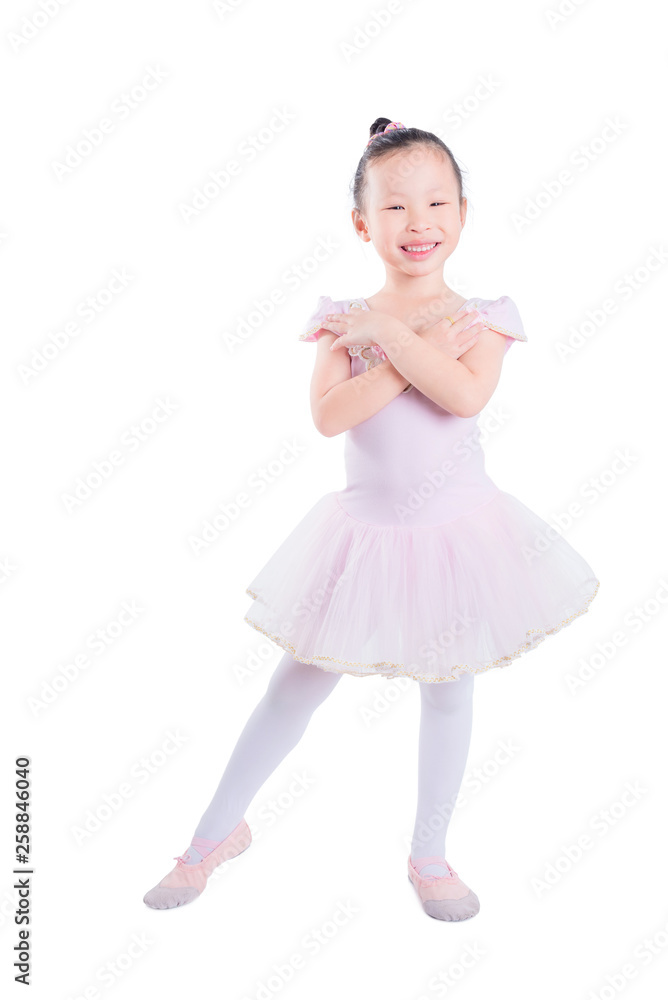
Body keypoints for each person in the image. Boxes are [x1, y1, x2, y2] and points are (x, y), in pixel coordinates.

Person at [143, 118, 600, 921]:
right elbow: (330, 416)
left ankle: (430, 854)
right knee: (296, 683)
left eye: (435, 202)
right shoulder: (337, 317)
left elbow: (462, 395)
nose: (417, 222)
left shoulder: (485, 317)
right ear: (363, 224)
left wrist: (387, 334)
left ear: (463, 212)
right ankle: (212, 836)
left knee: (448, 689)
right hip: (362, 537)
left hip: (460, 537)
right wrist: (400, 341)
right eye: (394, 207)